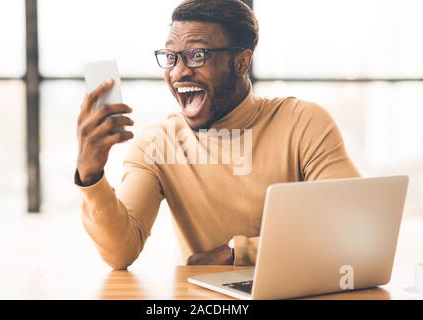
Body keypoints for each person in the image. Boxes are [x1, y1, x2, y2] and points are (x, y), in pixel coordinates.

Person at [74, 0, 360, 269]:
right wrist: (90, 176)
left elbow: (352, 224)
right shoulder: (158, 142)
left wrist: (240, 252)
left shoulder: (302, 122)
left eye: (197, 55)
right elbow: (120, 252)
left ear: (241, 63)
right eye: (171, 57)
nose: (179, 71)